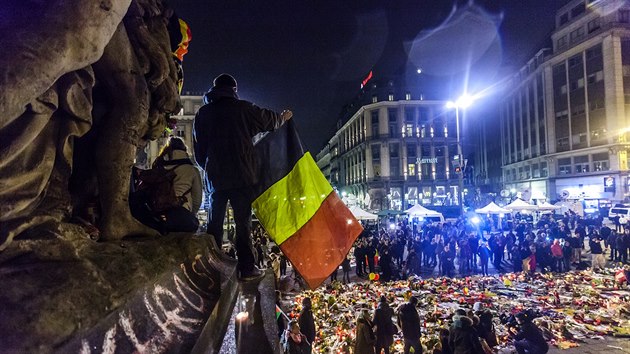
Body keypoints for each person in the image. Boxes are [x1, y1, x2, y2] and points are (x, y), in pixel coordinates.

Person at [193, 73, 292, 279]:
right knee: (243, 223)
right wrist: (283, 118)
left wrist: (210, 167)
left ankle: (213, 266)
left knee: (214, 223)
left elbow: (199, 151)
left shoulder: (203, 113)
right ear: (234, 90)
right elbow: (270, 120)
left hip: (216, 177)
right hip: (242, 176)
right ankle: (247, 266)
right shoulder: (244, 109)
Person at [131, 136, 203, 233]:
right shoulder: (192, 170)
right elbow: (197, 199)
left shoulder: (159, 166)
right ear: (184, 149)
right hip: (181, 212)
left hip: (157, 214)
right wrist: (190, 212)